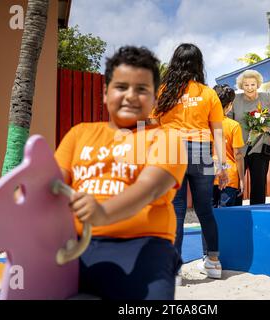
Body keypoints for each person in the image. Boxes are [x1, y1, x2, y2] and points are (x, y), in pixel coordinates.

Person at [54, 46, 187, 300]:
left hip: (144, 245)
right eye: (121, 87)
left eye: (142, 89)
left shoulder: (166, 138)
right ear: (105, 93)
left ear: (155, 99)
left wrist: (103, 213)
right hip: (75, 244)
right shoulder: (79, 134)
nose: (131, 96)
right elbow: (52, 184)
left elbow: (149, 188)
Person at [151, 43, 228, 284]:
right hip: (202, 152)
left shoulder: (164, 91)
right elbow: (218, 132)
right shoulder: (208, 93)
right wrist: (222, 165)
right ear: (198, 64)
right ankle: (214, 262)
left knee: (176, 212)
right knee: (205, 209)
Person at [228, 70, 270, 205]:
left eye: (252, 84)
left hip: (260, 147)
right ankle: (236, 213)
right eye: (246, 85)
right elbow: (228, 122)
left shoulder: (267, 98)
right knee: (237, 184)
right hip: (239, 149)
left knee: (259, 183)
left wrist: (260, 129)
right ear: (241, 86)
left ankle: (258, 214)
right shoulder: (235, 100)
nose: (250, 88)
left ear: (258, 85)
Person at [212, 84, 245, 207]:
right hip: (229, 177)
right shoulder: (233, 126)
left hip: (209, 176)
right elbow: (238, 155)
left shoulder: (204, 124)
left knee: (210, 216)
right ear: (229, 105)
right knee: (227, 218)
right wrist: (242, 179)